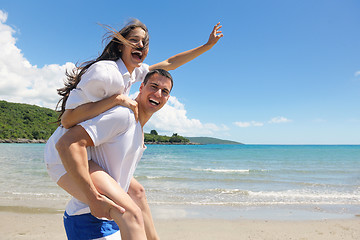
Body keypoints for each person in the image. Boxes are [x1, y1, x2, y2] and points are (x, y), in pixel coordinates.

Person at [44, 19, 223, 239]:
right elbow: (67, 120)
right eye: (134, 40)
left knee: (136, 191)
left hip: (87, 149)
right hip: (64, 155)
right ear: (120, 44)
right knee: (130, 214)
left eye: (144, 43)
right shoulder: (105, 73)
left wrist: (206, 46)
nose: (140, 45)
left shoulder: (134, 73)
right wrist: (115, 100)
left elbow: (170, 62)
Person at [56, 69, 173, 239]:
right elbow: (67, 143)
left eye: (165, 91)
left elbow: (127, 183)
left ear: (168, 99)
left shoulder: (138, 128)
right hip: (87, 218)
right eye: (153, 86)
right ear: (141, 87)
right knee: (133, 214)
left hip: (111, 219)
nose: (158, 93)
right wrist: (92, 197)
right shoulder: (123, 115)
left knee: (138, 193)